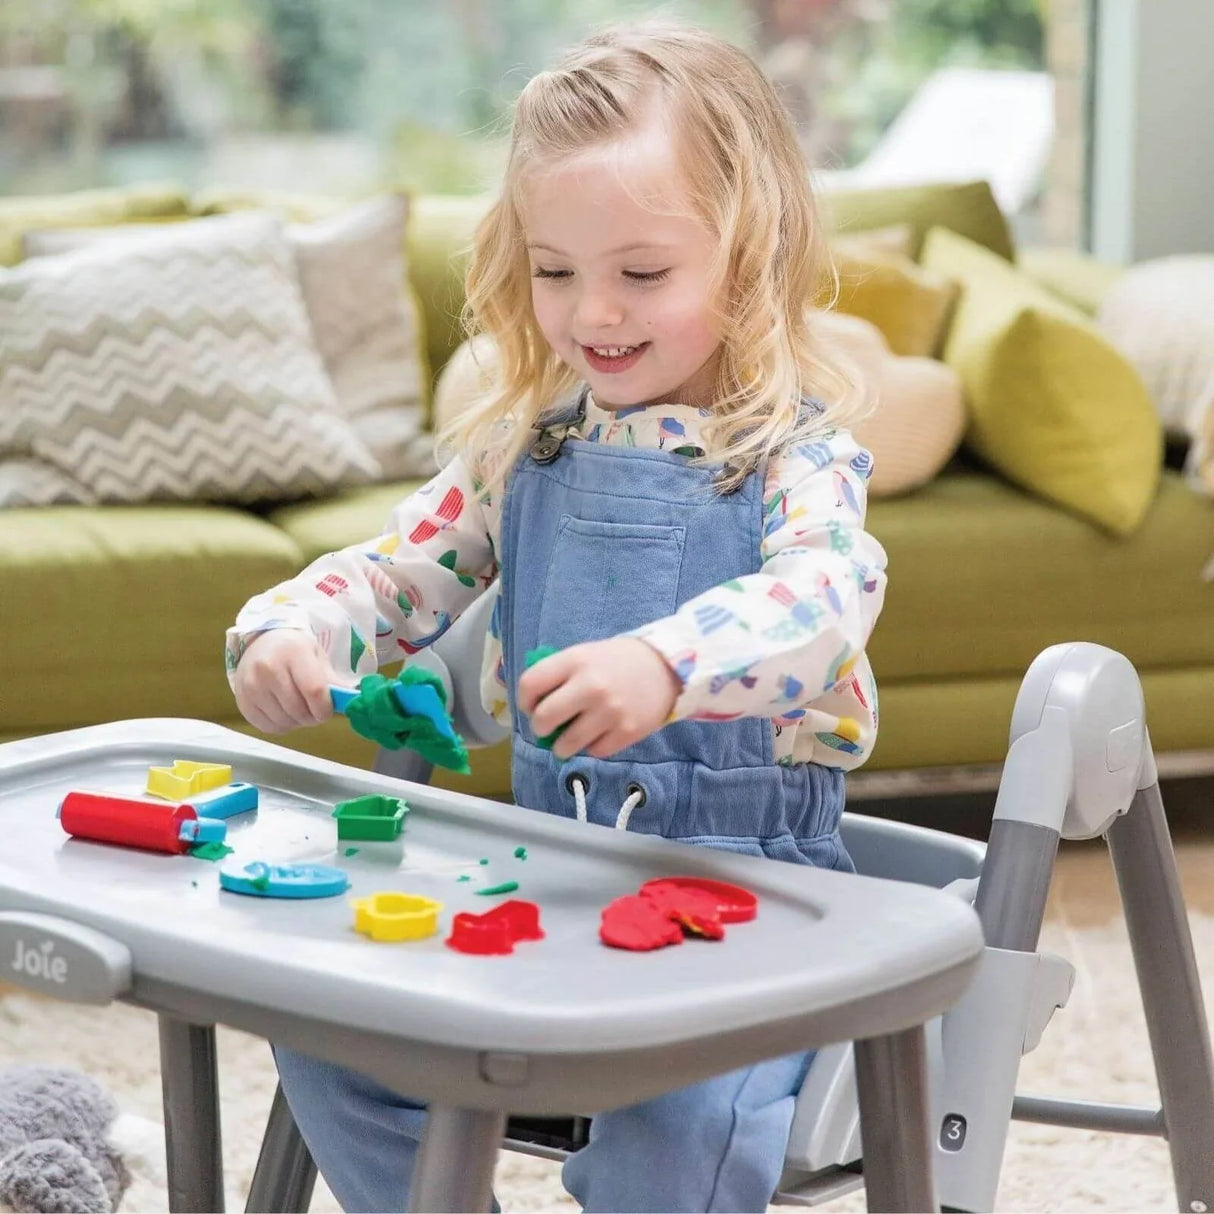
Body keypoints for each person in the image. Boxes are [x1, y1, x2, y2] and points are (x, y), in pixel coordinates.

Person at [226, 19, 887, 1213]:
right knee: (329, 1027)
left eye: (641, 273)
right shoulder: (519, 448)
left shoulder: (802, 458)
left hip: (752, 911)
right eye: (552, 269)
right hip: (554, 882)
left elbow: (826, 599)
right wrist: (291, 630)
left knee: (677, 1128)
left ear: (748, 255)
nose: (592, 312)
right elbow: (390, 574)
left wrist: (667, 661)